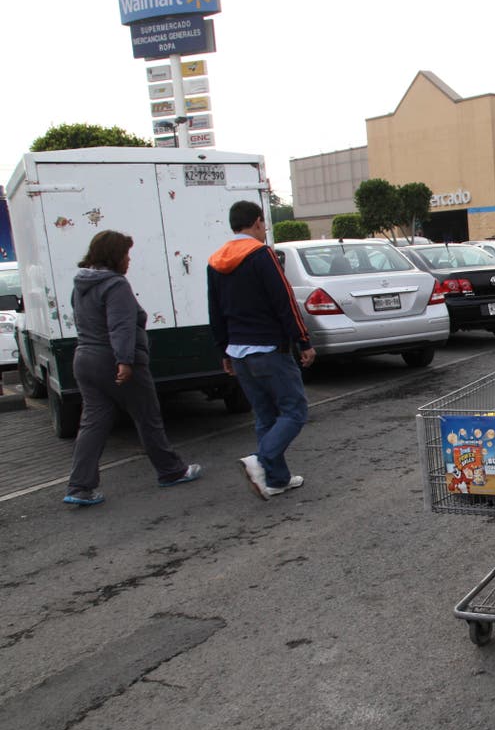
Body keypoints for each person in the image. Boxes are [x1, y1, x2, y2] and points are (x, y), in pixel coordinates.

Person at [64, 230, 201, 506]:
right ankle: (171, 470)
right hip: (115, 360)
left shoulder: (81, 285)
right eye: (126, 254)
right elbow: (121, 325)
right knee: (147, 416)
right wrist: (125, 360)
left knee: (93, 424)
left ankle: (79, 487)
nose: (129, 260)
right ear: (114, 256)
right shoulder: (115, 285)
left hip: (84, 359)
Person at [207, 201, 316, 500]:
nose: (264, 229)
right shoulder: (262, 254)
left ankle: (277, 479)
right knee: (294, 411)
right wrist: (303, 341)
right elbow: (284, 300)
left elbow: (215, 312)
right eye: (263, 224)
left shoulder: (215, 261)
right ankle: (262, 460)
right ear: (256, 222)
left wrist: (224, 352)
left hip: (239, 351)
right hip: (269, 348)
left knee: (265, 415)